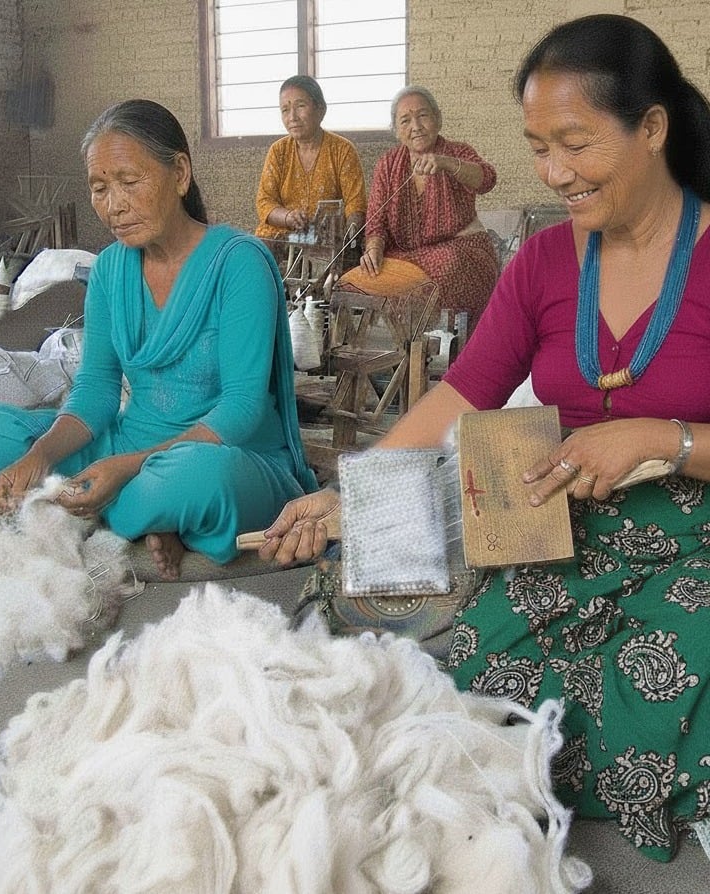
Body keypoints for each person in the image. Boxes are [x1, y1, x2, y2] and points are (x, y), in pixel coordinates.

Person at [255, 15, 710, 861]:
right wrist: (347, 490)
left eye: (575, 143)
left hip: (701, 530)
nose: (554, 172)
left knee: (678, 659)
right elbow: (462, 393)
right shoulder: (542, 262)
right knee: (454, 673)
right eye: (539, 146)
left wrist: (663, 438)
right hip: (572, 523)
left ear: (652, 127)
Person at [0, 99, 317, 581]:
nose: (113, 205)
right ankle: (142, 516)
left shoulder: (237, 263)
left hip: (226, 454)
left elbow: (243, 407)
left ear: (179, 173)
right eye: (99, 188)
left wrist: (128, 467)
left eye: (128, 182)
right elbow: (97, 389)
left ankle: (114, 507)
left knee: (201, 482)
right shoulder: (108, 271)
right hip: (127, 442)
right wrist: (39, 458)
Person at [352, 85, 499, 330]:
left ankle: (446, 347)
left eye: (422, 116)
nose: (416, 126)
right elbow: (376, 221)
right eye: (405, 120)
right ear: (396, 130)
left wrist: (448, 164)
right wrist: (374, 250)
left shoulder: (457, 152)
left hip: (463, 253)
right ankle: (406, 348)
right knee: (362, 277)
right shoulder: (387, 165)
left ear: (438, 119)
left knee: (446, 265)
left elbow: (487, 179)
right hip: (408, 257)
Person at [255, 75, 367, 241]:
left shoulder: (342, 150)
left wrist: (350, 233)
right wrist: (288, 217)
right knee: (256, 252)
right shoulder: (278, 151)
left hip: (326, 238)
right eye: (285, 110)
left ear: (320, 109)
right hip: (283, 233)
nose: (292, 117)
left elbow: (355, 203)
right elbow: (265, 202)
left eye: (300, 106)